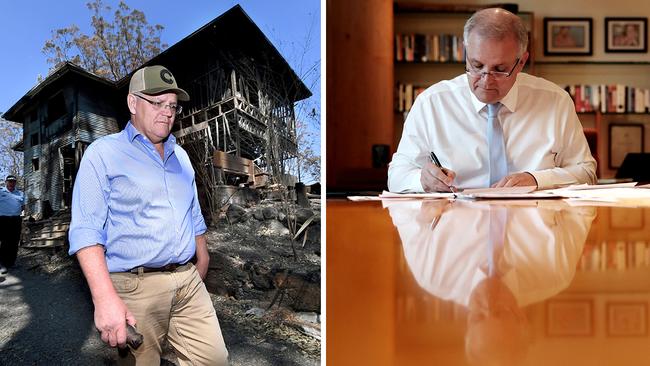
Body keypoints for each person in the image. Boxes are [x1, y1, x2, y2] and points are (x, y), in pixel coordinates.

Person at [69, 65, 228, 365]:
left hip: (188, 281)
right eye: (157, 102)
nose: (167, 112)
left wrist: (202, 256)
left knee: (215, 360)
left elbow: (192, 211)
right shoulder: (103, 153)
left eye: (172, 106)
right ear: (132, 103)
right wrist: (104, 299)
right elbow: (86, 231)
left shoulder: (181, 157)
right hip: (135, 289)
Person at [388, 8, 597, 193]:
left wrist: (536, 180)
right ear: (465, 53)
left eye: (500, 69)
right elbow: (396, 176)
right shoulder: (431, 103)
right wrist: (422, 180)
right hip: (457, 227)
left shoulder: (555, 101)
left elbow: (586, 172)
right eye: (476, 66)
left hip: (534, 226)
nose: (486, 81)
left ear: (522, 62)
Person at [385, 199, 596, 364]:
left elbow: (399, 210)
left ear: (467, 325)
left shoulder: (431, 274)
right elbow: (584, 209)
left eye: (477, 317)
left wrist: (422, 212)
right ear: (521, 319)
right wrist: (543, 192)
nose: (487, 302)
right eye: (500, 312)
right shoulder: (555, 273)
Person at [0, 175, 25, 274]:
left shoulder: (20, 193)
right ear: (6, 182)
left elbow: (23, 206)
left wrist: (15, 212)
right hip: (3, 219)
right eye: (10, 181)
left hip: (16, 220)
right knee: (4, 241)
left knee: (14, 241)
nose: (11, 183)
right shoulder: (1, 191)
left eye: (13, 181)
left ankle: (11, 263)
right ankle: (2, 264)